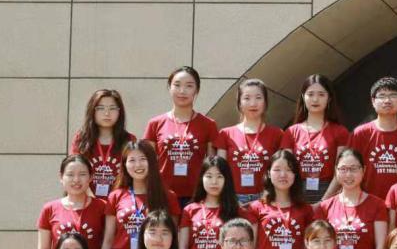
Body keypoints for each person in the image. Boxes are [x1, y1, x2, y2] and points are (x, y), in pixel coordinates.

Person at [97, 140, 180, 249]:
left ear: (152, 162)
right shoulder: (116, 196)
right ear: (124, 165)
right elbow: (108, 238)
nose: (137, 165)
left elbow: (173, 236)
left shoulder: (168, 196)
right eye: (132, 160)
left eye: (142, 159)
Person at [143, 67, 217, 208]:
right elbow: (148, 162)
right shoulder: (155, 123)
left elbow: (212, 164)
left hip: (196, 196)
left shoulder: (209, 124)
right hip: (163, 194)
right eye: (177, 85)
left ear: (197, 90)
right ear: (169, 88)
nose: (182, 91)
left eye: (189, 86)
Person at [281, 74, 351, 203]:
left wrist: (324, 201)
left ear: (329, 98)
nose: (315, 99)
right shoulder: (291, 132)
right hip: (297, 192)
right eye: (310, 94)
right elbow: (286, 169)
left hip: (328, 191)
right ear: (303, 97)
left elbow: (341, 170)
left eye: (321, 94)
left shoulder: (340, 131)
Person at [214, 78, 284, 207]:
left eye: (258, 98)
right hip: (234, 198)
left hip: (266, 197)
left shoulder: (277, 134)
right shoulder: (225, 134)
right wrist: (229, 198)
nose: (253, 103)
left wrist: (268, 195)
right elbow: (220, 171)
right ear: (239, 103)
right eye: (247, 98)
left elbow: (281, 169)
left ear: (265, 102)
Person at [37, 155, 107, 249]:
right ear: (61, 177)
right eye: (70, 174)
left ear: (91, 177)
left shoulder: (102, 207)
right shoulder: (49, 209)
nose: (76, 180)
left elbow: (107, 244)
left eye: (82, 174)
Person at [349, 77, 397, 199]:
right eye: (382, 96)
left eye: (393, 95)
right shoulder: (360, 134)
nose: (387, 100)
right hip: (367, 201)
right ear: (373, 101)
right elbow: (349, 168)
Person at [180, 156, 247, 249]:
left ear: (227, 180)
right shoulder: (189, 210)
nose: (214, 182)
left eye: (219, 176)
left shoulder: (237, 210)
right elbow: (182, 247)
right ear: (201, 178)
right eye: (209, 176)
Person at [71, 88, 135, 200]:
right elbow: (74, 171)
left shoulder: (129, 140)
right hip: (86, 201)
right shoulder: (81, 139)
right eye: (100, 108)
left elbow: (133, 176)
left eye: (112, 108)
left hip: (120, 202)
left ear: (120, 112)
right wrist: (93, 201)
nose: (107, 113)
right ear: (92, 111)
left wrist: (116, 202)